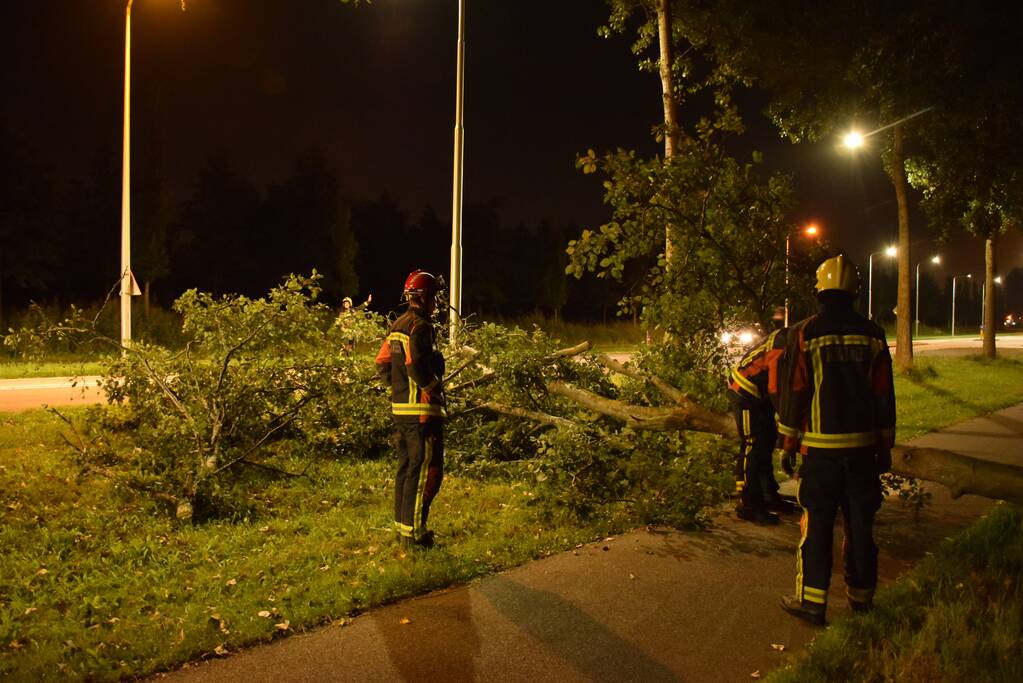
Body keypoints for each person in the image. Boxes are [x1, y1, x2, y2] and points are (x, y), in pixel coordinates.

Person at [776, 254, 896, 626]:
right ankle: (862, 602)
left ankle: (813, 604)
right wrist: (884, 447)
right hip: (862, 454)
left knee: (817, 527)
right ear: (855, 291)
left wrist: (788, 444)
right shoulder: (874, 335)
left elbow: (794, 392)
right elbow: (883, 396)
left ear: (820, 289)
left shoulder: (805, 333)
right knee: (861, 527)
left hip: (821, 454)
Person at [374, 271, 446, 550]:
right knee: (426, 474)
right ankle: (415, 536)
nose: (437, 302)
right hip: (421, 413)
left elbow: (381, 362)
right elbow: (415, 364)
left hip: (402, 411)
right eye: (435, 296)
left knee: (406, 470)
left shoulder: (398, 325)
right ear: (425, 297)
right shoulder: (421, 326)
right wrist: (433, 388)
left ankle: (404, 530)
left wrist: (397, 391)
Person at [727, 327, 794, 525]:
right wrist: (787, 420)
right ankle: (748, 502)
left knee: (767, 441)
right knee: (753, 443)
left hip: (759, 390)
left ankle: (768, 495)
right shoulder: (784, 346)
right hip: (745, 390)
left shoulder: (790, 339)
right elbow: (775, 388)